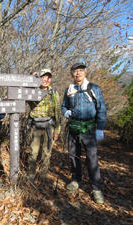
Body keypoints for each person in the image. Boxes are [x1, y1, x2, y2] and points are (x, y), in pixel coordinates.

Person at [61, 63, 107, 204]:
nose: (78, 73)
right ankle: (76, 180)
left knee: (91, 158)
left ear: (86, 72)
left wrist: (100, 128)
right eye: (75, 71)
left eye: (81, 71)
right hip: (73, 126)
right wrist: (65, 112)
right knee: (73, 156)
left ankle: (96, 188)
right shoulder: (69, 89)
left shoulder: (94, 88)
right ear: (71, 74)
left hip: (89, 128)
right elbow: (64, 105)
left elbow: (101, 108)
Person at [27, 69, 61, 181]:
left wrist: (57, 130)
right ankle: (31, 173)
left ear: (50, 80)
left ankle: (42, 174)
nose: (45, 80)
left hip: (49, 126)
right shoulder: (33, 91)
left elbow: (57, 112)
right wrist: (32, 81)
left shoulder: (54, 93)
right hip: (35, 125)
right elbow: (25, 96)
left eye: (48, 78)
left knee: (47, 152)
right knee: (33, 151)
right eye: (43, 77)